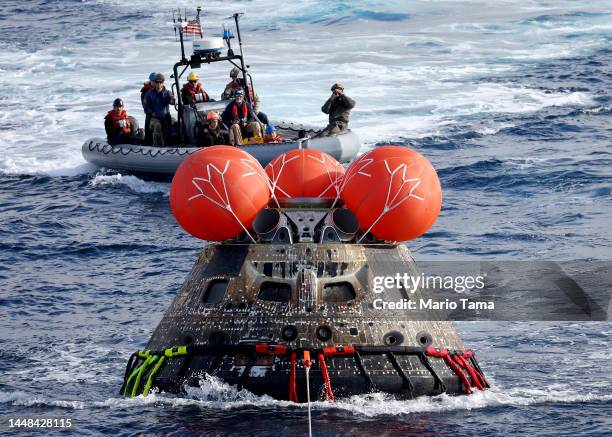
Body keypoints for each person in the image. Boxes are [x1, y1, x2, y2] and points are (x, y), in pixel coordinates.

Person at [143, 73, 176, 146]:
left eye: (160, 82)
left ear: (163, 83)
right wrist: (151, 113)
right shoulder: (149, 94)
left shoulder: (167, 93)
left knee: (173, 125)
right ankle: (157, 145)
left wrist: (173, 100)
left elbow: (172, 102)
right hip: (154, 118)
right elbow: (146, 107)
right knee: (158, 126)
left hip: (166, 117)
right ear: (154, 83)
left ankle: (169, 145)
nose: (158, 84)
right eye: (157, 82)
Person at [141, 72, 156, 145]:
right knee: (149, 127)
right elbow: (145, 104)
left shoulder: (160, 89)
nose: (155, 82)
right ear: (150, 81)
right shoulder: (145, 91)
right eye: (153, 81)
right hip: (150, 113)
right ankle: (148, 143)